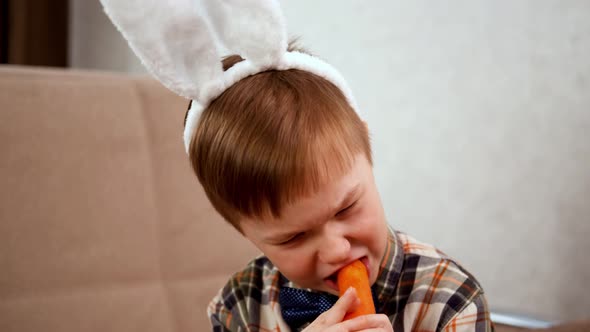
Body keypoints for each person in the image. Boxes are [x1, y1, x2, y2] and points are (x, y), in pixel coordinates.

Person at [100, 0, 493, 331]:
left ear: (367, 148)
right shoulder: (238, 307)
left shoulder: (449, 299)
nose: (337, 250)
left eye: (346, 208)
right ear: (242, 229)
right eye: (293, 238)